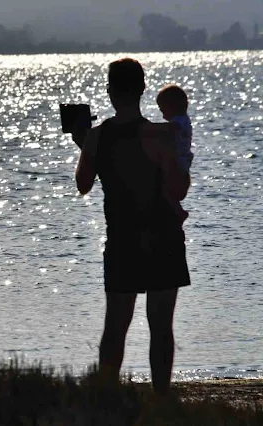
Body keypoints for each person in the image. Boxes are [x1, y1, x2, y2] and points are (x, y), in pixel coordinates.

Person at [72, 58, 191, 396]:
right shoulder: (158, 135)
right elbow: (179, 189)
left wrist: (84, 146)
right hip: (163, 239)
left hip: (122, 241)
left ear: (110, 92)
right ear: (142, 88)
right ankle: (162, 400)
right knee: (161, 327)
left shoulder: (96, 137)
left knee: (115, 329)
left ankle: (105, 398)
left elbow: (83, 185)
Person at [156, 84, 193, 224]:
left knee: (163, 187)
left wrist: (149, 128)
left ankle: (178, 211)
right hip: (182, 159)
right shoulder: (183, 119)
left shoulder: (179, 121)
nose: (163, 115)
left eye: (163, 110)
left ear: (172, 107)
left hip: (179, 160)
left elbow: (171, 129)